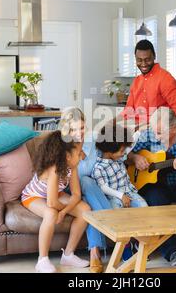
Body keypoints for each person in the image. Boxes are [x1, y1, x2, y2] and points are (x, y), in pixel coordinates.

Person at [127, 107, 176, 266]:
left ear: (174, 129)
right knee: (155, 198)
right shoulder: (149, 133)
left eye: (160, 132)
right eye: (155, 131)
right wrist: (135, 157)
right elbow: (125, 153)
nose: (156, 135)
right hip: (155, 185)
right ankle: (173, 251)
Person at [21, 131, 90, 273]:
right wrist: (61, 210)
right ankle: (42, 260)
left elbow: (76, 194)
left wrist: (64, 211)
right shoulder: (54, 169)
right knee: (51, 213)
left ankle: (68, 254)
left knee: (85, 210)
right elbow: (52, 203)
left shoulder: (72, 167)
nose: (82, 156)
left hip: (54, 195)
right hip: (33, 196)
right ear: (67, 156)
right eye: (79, 153)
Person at [58, 107, 112, 273]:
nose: (78, 133)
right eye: (73, 129)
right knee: (85, 182)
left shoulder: (93, 141)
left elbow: (120, 151)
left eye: (81, 128)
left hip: (91, 189)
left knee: (87, 188)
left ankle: (94, 252)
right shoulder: (61, 146)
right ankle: (116, 228)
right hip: (69, 190)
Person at [92, 122, 148, 261]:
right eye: (121, 151)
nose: (124, 154)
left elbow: (131, 144)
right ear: (110, 151)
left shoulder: (118, 155)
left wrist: (140, 130)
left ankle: (140, 245)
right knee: (118, 219)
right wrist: (120, 195)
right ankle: (125, 248)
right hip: (114, 197)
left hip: (130, 192)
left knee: (145, 209)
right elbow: (104, 187)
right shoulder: (99, 167)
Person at [120, 39, 176, 125]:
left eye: (147, 59)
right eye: (139, 60)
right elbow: (128, 111)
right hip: (137, 130)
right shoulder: (136, 81)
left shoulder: (165, 78)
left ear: (154, 56)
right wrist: (112, 122)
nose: (143, 64)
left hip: (157, 132)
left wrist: (158, 126)